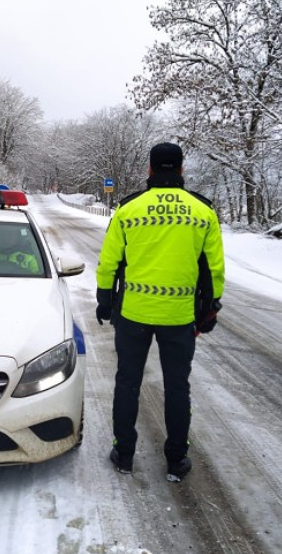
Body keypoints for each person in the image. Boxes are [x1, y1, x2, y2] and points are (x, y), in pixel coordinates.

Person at [95, 142, 225, 482]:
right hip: (179, 318)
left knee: (127, 384)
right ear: (181, 169)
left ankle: (124, 454)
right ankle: (176, 460)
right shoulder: (203, 212)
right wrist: (208, 312)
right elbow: (213, 270)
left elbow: (109, 262)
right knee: (177, 388)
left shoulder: (128, 210)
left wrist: (105, 301)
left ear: (150, 169)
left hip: (134, 315)